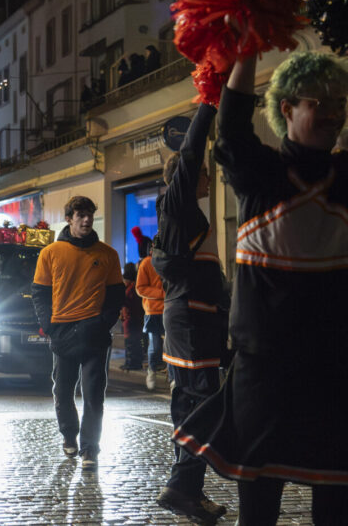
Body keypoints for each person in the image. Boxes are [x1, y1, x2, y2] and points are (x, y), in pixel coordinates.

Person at [173, 49, 348, 526]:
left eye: (340, 104)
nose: (333, 114)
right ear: (286, 108)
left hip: (336, 374)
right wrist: (244, 53)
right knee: (258, 510)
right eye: (319, 103)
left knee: (334, 509)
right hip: (263, 377)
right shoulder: (259, 175)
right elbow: (232, 130)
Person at [151, 102, 230, 524]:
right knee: (203, 406)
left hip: (192, 320)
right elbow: (192, 153)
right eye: (202, 171)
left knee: (188, 407)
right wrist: (207, 107)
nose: (207, 176)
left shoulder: (180, 216)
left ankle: (190, 493)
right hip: (193, 322)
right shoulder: (179, 206)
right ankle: (182, 486)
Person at [32, 196, 124, 470]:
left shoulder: (108, 254)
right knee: (62, 390)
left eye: (89, 215)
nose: (86, 220)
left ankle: (90, 449)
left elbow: (116, 295)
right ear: (69, 218)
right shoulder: (51, 252)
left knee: (94, 393)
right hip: (63, 331)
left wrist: (103, 322)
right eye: (80, 215)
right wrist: (50, 325)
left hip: (94, 333)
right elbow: (40, 293)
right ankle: (69, 435)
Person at [135, 235, 165, 391]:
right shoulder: (147, 263)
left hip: (168, 308)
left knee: (170, 346)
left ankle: (172, 378)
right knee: (156, 346)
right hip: (153, 310)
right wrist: (162, 293)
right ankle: (152, 371)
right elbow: (140, 288)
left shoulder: (168, 262)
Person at [120, 263, 146, 371]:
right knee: (133, 342)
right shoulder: (133, 288)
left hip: (130, 320)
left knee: (131, 342)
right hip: (133, 319)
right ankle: (132, 362)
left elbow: (128, 303)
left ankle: (131, 363)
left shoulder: (131, 289)